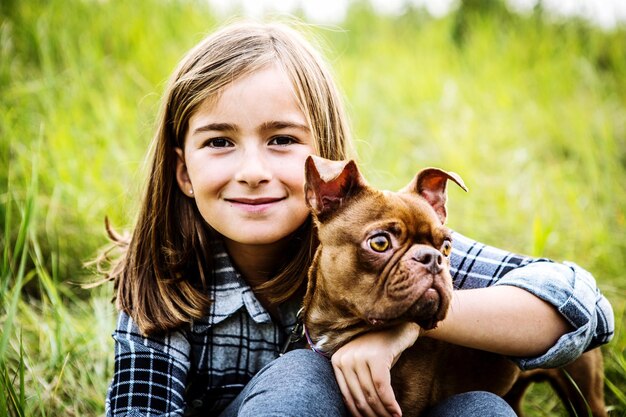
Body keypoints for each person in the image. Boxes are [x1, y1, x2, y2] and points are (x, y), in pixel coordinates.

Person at [103, 20, 614, 417]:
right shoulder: (162, 286)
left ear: (322, 176)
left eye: (281, 140)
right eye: (220, 142)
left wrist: (411, 320)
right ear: (183, 171)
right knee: (303, 376)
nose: (253, 171)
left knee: (481, 408)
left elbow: (583, 303)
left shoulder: (379, 231)